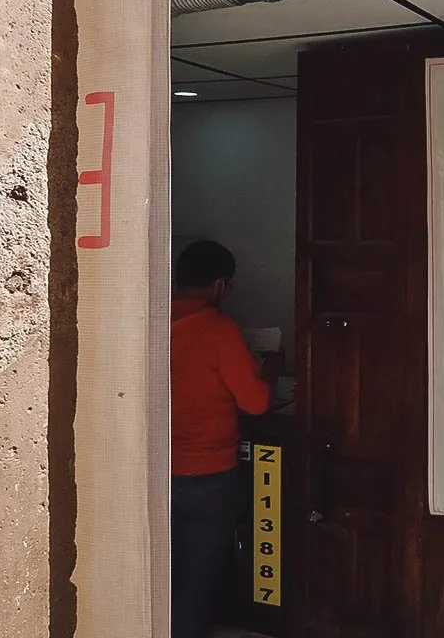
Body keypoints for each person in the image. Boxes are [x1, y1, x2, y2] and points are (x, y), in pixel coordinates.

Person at [171, 240, 273, 638]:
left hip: (156, 472)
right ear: (218, 285)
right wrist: (274, 365)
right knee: (195, 583)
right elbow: (257, 402)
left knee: (164, 573)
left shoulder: (149, 317)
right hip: (208, 477)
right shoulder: (218, 329)